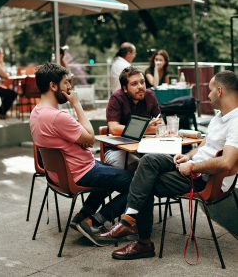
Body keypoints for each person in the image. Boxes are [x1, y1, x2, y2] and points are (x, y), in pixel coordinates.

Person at [98, 70, 238, 260]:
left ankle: (143, 242)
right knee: (149, 160)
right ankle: (129, 219)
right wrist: (187, 157)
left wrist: (193, 167)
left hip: (202, 178)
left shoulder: (236, 122)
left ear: (220, 91)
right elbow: (204, 146)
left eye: (210, 90)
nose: (208, 94)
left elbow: (226, 162)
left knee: (146, 180)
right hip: (192, 166)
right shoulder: (219, 116)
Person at [30, 62, 133, 246]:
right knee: (136, 182)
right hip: (80, 172)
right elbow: (90, 138)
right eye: (65, 83)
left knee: (111, 173)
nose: (70, 87)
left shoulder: (36, 113)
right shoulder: (57, 117)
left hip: (60, 176)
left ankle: (82, 216)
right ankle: (94, 222)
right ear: (53, 86)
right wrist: (77, 104)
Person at [105, 66, 162, 170]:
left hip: (145, 148)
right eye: (134, 84)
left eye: (142, 82)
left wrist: (143, 129)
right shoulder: (116, 98)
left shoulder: (150, 95)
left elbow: (160, 125)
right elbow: (114, 129)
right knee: (140, 170)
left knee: (166, 164)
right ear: (125, 88)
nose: (140, 86)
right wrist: (145, 128)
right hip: (118, 150)